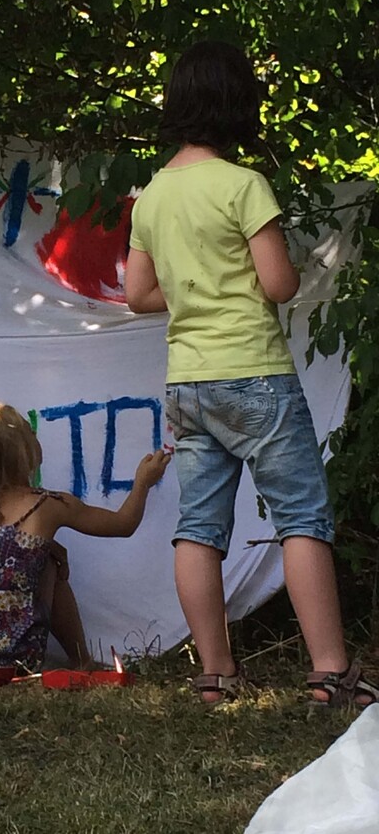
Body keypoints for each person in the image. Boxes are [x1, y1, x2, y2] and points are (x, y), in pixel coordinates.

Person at [125, 40, 379, 707]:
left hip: (189, 383)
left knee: (199, 526)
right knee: (301, 518)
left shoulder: (152, 196)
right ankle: (328, 672)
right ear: (238, 106)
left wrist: (195, 291)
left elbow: (138, 294)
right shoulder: (242, 185)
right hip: (256, 376)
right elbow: (277, 282)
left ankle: (215, 674)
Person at [0, 402, 170, 671]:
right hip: (10, 660)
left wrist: (45, 547)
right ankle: (82, 660)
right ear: (24, 452)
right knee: (49, 568)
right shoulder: (46, 504)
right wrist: (143, 482)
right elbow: (123, 524)